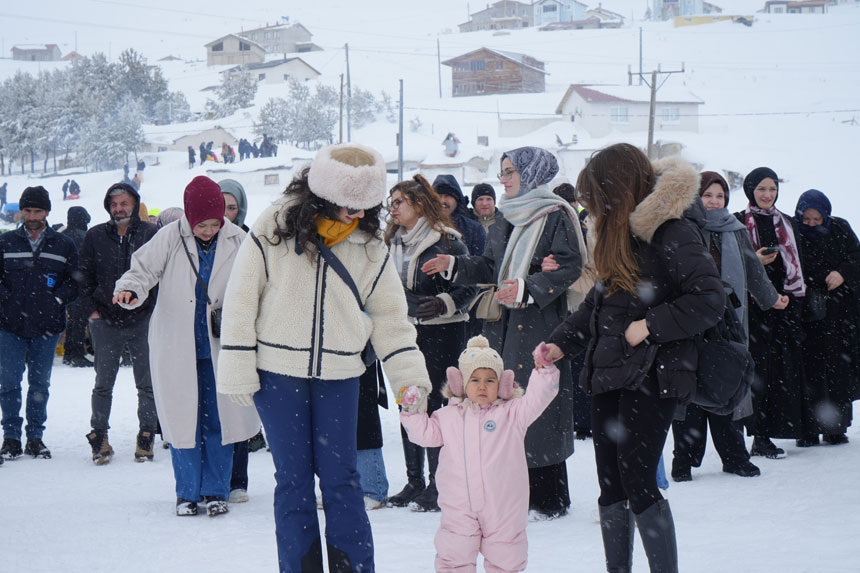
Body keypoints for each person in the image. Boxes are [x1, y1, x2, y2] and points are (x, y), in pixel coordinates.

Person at [216, 144, 432, 571]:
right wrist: (238, 365)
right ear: (323, 194)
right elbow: (241, 297)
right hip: (277, 374)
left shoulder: (370, 244)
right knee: (293, 482)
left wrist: (408, 377)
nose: (355, 215)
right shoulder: (274, 224)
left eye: (364, 206)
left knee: (342, 481)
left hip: (341, 374)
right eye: (347, 205)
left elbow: (390, 315)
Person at [542, 144, 724, 572]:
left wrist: (650, 325)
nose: (592, 207)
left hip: (653, 374)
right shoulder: (619, 233)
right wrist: (560, 341)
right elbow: (597, 304)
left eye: (596, 197)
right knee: (610, 485)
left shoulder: (671, 232)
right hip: (611, 371)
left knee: (639, 481)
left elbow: (710, 299)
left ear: (616, 189)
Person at [423, 146, 582, 520]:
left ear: (531, 173)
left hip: (538, 324)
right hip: (504, 329)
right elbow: (491, 267)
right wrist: (453, 264)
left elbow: (571, 265)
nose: (503, 178)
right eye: (503, 171)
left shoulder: (556, 213)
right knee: (509, 403)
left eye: (510, 171)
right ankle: (518, 493)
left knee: (540, 406)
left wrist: (529, 287)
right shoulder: (508, 216)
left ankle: (550, 497)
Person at [114, 176, 259, 516]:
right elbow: (142, 271)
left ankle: (217, 490)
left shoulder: (240, 241)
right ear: (189, 218)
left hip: (222, 347)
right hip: (178, 344)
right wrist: (130, 290)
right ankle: (187, 493)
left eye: (214, 223)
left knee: (220, 421)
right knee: (183, 422)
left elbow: (259, 284)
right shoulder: (168, 237)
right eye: (201, 224)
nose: (208, 230)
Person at [400, 335, 560, 573]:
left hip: (503, 507)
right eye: (474, 379)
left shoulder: (513, 414)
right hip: (459, 506)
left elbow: (537, 399)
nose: (482, 386)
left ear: (502, 383)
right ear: (461, 383)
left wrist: (543, 371)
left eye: (489, 380)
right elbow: (424, 434)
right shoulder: (447, 417)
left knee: (505, 558)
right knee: (455, 556)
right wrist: (412, 411)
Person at [671, 171, 788, 482]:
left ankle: (735, 456)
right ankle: (683, 458)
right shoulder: (681, 228)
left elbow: (751, 266)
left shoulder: (735, 229)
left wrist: (770, 297)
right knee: (687, 388)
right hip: (689, 320)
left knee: (729, 383)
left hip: (728, 321)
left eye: (719, 196)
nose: (713, 201)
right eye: (707, 195)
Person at [384, 174, 476, 511]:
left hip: (443, 332)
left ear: (419, 204)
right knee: (408, 403)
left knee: (437, 407)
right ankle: (414, 480)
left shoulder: (449, 242)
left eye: (399, 203)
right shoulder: (391, 243)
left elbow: (471, 286)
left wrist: (445, 303)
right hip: (405, 331)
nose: (392, 209)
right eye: (390, 203)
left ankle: (439, 483)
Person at [77, 182, 159, 465]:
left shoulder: (151, 234)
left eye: (123, 203)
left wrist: (153, 309)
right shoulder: (96, 235)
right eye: (113, 205)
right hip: (105, 319)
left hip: (143, 319)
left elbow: (161, 273)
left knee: (147, 383)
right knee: (103, 383)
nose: (118, 209)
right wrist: (92, 312)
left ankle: (146, 434)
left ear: (135, 204)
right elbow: (84, 276)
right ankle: (99, 436)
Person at [0, 186, 79, 461]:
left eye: (38, 210)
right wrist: (7, 302)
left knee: (39, 385)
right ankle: (10, 437)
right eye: (28, 210)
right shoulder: (6, 242)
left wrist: (57, 300)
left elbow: (74, 281)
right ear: (22, 211)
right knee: (8, 382)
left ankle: (35, 437)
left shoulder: (63, 244)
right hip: (10, 327)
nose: (32, 216)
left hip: (47, 327)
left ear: (47, 212)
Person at [735, 167, 808, 459]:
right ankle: (757, 434)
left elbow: (800, 265)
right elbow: (731, 266)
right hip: (752, 311)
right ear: (750, 190)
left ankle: (770, 431)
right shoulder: (738, 224)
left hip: (784, 310)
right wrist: (756, 263)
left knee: (779, 373)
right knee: (755, 374)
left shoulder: (787, 223)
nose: (767, 195)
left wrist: (790, 302)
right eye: (761, 189)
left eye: (773, 189)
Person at [793, 189, 860, 446]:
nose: (810, 224)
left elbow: (857, 257)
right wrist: (816, 280)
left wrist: (842, 273)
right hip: (808, 316)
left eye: (816, 220)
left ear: (826, 216)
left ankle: (836, 427)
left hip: (840, 317)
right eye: (806, 219)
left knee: (837, 373)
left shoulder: (841, 228)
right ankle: (807, 428)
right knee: (807, 373)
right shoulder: (794, 232)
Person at [216, 177, 262, 503]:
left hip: (242, 333)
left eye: (232, 207)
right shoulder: (198, 242)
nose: (226, 214)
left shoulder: (250, 241)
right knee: (212, 408)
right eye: (221, 206)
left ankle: (238, 479)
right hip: (208, 335)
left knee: (239, 405)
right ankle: (215, 476)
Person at [61, 206, 92, 368]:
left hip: (63, 286)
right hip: (81, 286)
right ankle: (77, 354)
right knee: (79, 321)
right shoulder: (85, 237)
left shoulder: (62, 236)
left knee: (71, 321)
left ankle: (68, 353)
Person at [432, 174, 486, 256]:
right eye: (439, 196)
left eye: (448, 196)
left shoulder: (474, 229)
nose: (443, 201)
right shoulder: (423, 227)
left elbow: (481, 263)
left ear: (457, 200)